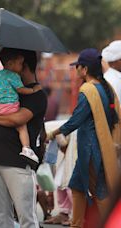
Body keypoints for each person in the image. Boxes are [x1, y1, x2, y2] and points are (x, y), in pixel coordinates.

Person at [47, 48, 121, 227]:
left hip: (91, 151)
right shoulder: (106, 88)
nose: (75, 70)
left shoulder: (87, 90)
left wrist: (52, 133)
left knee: (99, 193)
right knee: (78, 187)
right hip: (96, 149)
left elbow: (75, 121)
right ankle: (77, 223)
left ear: (85, 69)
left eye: (77, 67)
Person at [0, 49, 47, 228]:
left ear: (22, 65)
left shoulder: (36, 94)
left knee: (26, 217)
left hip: (19, 164)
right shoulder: (2, 87)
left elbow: (17, 119)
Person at [0, 48, 41, 165]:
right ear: (10, 64)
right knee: (22, 127)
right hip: (10, 108)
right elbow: (21, 90)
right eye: (20, 63)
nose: (21, 67)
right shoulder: (14, 76)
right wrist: (33, 90)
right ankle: (26, 148)